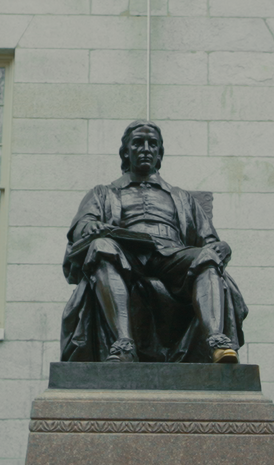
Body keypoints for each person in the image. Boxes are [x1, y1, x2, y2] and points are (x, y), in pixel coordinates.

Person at [59, 120, 248, 363]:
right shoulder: (103, 192)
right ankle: (123, 345)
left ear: (159, 153)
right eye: (138, 143)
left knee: (207, 257)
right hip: (125, 254)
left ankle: (217, 342)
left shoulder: (182, 197)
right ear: (126, 152)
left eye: (152, 144)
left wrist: (222, 248)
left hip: (172, 255)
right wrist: (90, 226)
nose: (146, 148)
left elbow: (209, 240)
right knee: (101, 246)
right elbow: (80, 227)